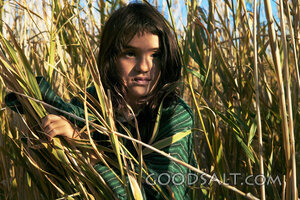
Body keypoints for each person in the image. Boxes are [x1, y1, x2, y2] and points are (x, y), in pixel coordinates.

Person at [5, 2, 196, 199]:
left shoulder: (174, 116)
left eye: (155, 55)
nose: (144, 66)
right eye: (130, 54)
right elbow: (65, 116)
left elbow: (164, 194)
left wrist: (82, 145)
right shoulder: (91, 104)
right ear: (111, 59)